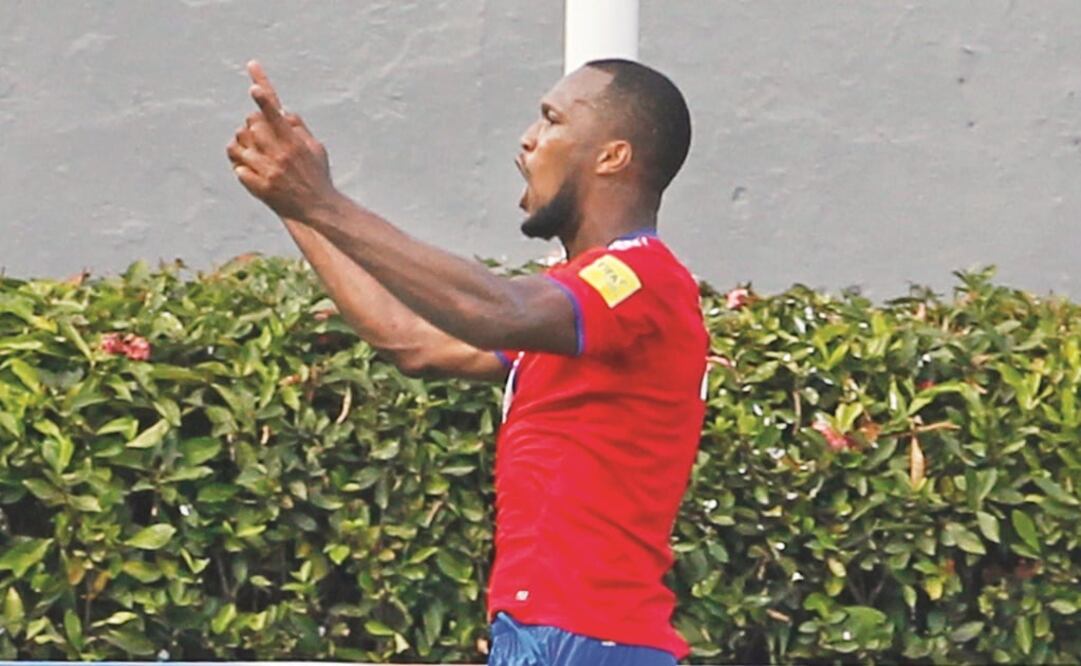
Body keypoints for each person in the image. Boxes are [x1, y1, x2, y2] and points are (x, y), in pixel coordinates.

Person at [227, 57, 708, 666]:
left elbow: (494, 308)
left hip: (590, 641)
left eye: (552, 120)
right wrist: (293, 203)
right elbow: (412, 340)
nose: (529, 139)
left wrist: (323, 201)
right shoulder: (576, 304)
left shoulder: (639, 279)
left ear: (612, 157)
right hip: (547, 635)